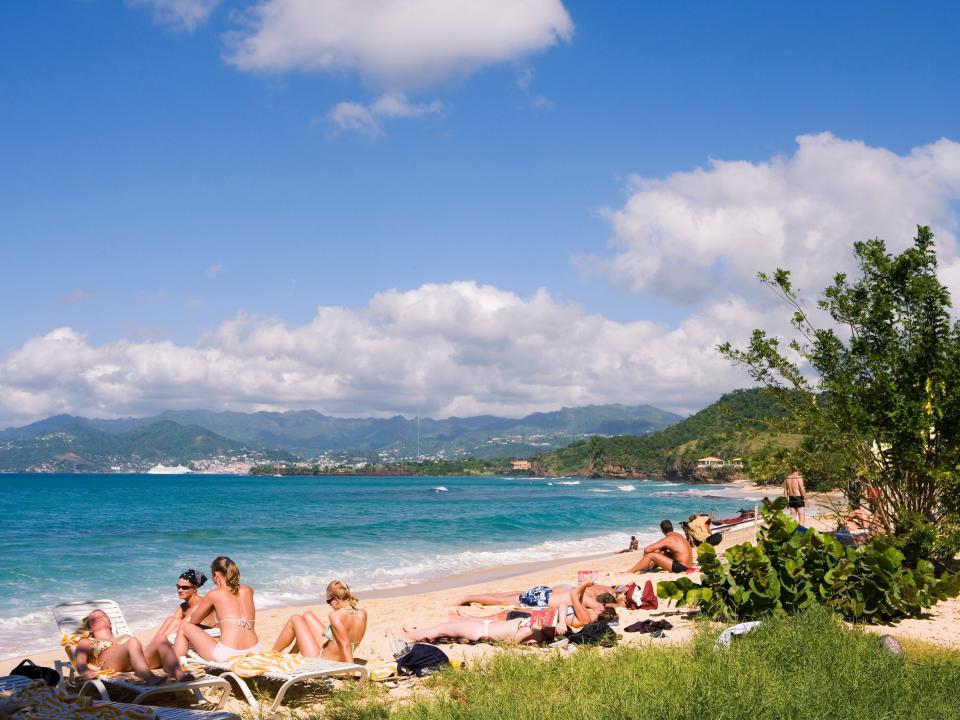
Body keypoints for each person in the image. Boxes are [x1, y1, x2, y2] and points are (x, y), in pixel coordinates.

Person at [173, 556, 261, 662]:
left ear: (216, 575)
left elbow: (194, 620)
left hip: (229, 654)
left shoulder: (214, 594)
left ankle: (177, 668)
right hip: (255, 651)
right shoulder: (248, 590)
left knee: (184, 626)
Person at [75, 609, 184, 683]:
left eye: (103, 615)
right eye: (94, 618)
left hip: (137, 662)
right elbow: (80, 659)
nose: (100, 617)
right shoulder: (87, 641)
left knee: (161, 638)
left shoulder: (125, 636)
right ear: (90, 629)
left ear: (110, 623)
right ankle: (149, 677)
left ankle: (179, 674)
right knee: (132, 641)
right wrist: (84, 670)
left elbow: (144, 650)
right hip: (112, 665)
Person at [272, 580, 367, 662]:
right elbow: (346, 641)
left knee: (295, 619)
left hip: (322, 659)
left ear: (336, 599)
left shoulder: (335, 616)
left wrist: (352, 674)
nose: (329, 604)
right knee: (307, 615)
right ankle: (293, 652)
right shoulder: (362, 613)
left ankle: (270, 655)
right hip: (337, 656)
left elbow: (345, 645)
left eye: (329, 601)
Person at [153, 569, 213, 641]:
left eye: (185, 587)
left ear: (194, 589)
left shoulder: (200, 603)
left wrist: (164, 639)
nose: (180, 590)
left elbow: (181, 626)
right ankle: (154, 645)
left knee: (178, 623)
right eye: (178, 587)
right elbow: (174, 622)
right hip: (193, 632)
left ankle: (158, 644)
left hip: (208, 634)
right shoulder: (183, 606)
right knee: (170, 619)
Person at [627, 520, 693, 573]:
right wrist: (659, 551)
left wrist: (651, 554)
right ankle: (650, 568)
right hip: (688, 565)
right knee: (661, 552)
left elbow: (647, 549)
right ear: (672, 528)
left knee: (651, 555)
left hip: (680, 567)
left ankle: (630, 571)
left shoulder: (668, 539)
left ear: (662, 531)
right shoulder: (679, 536)